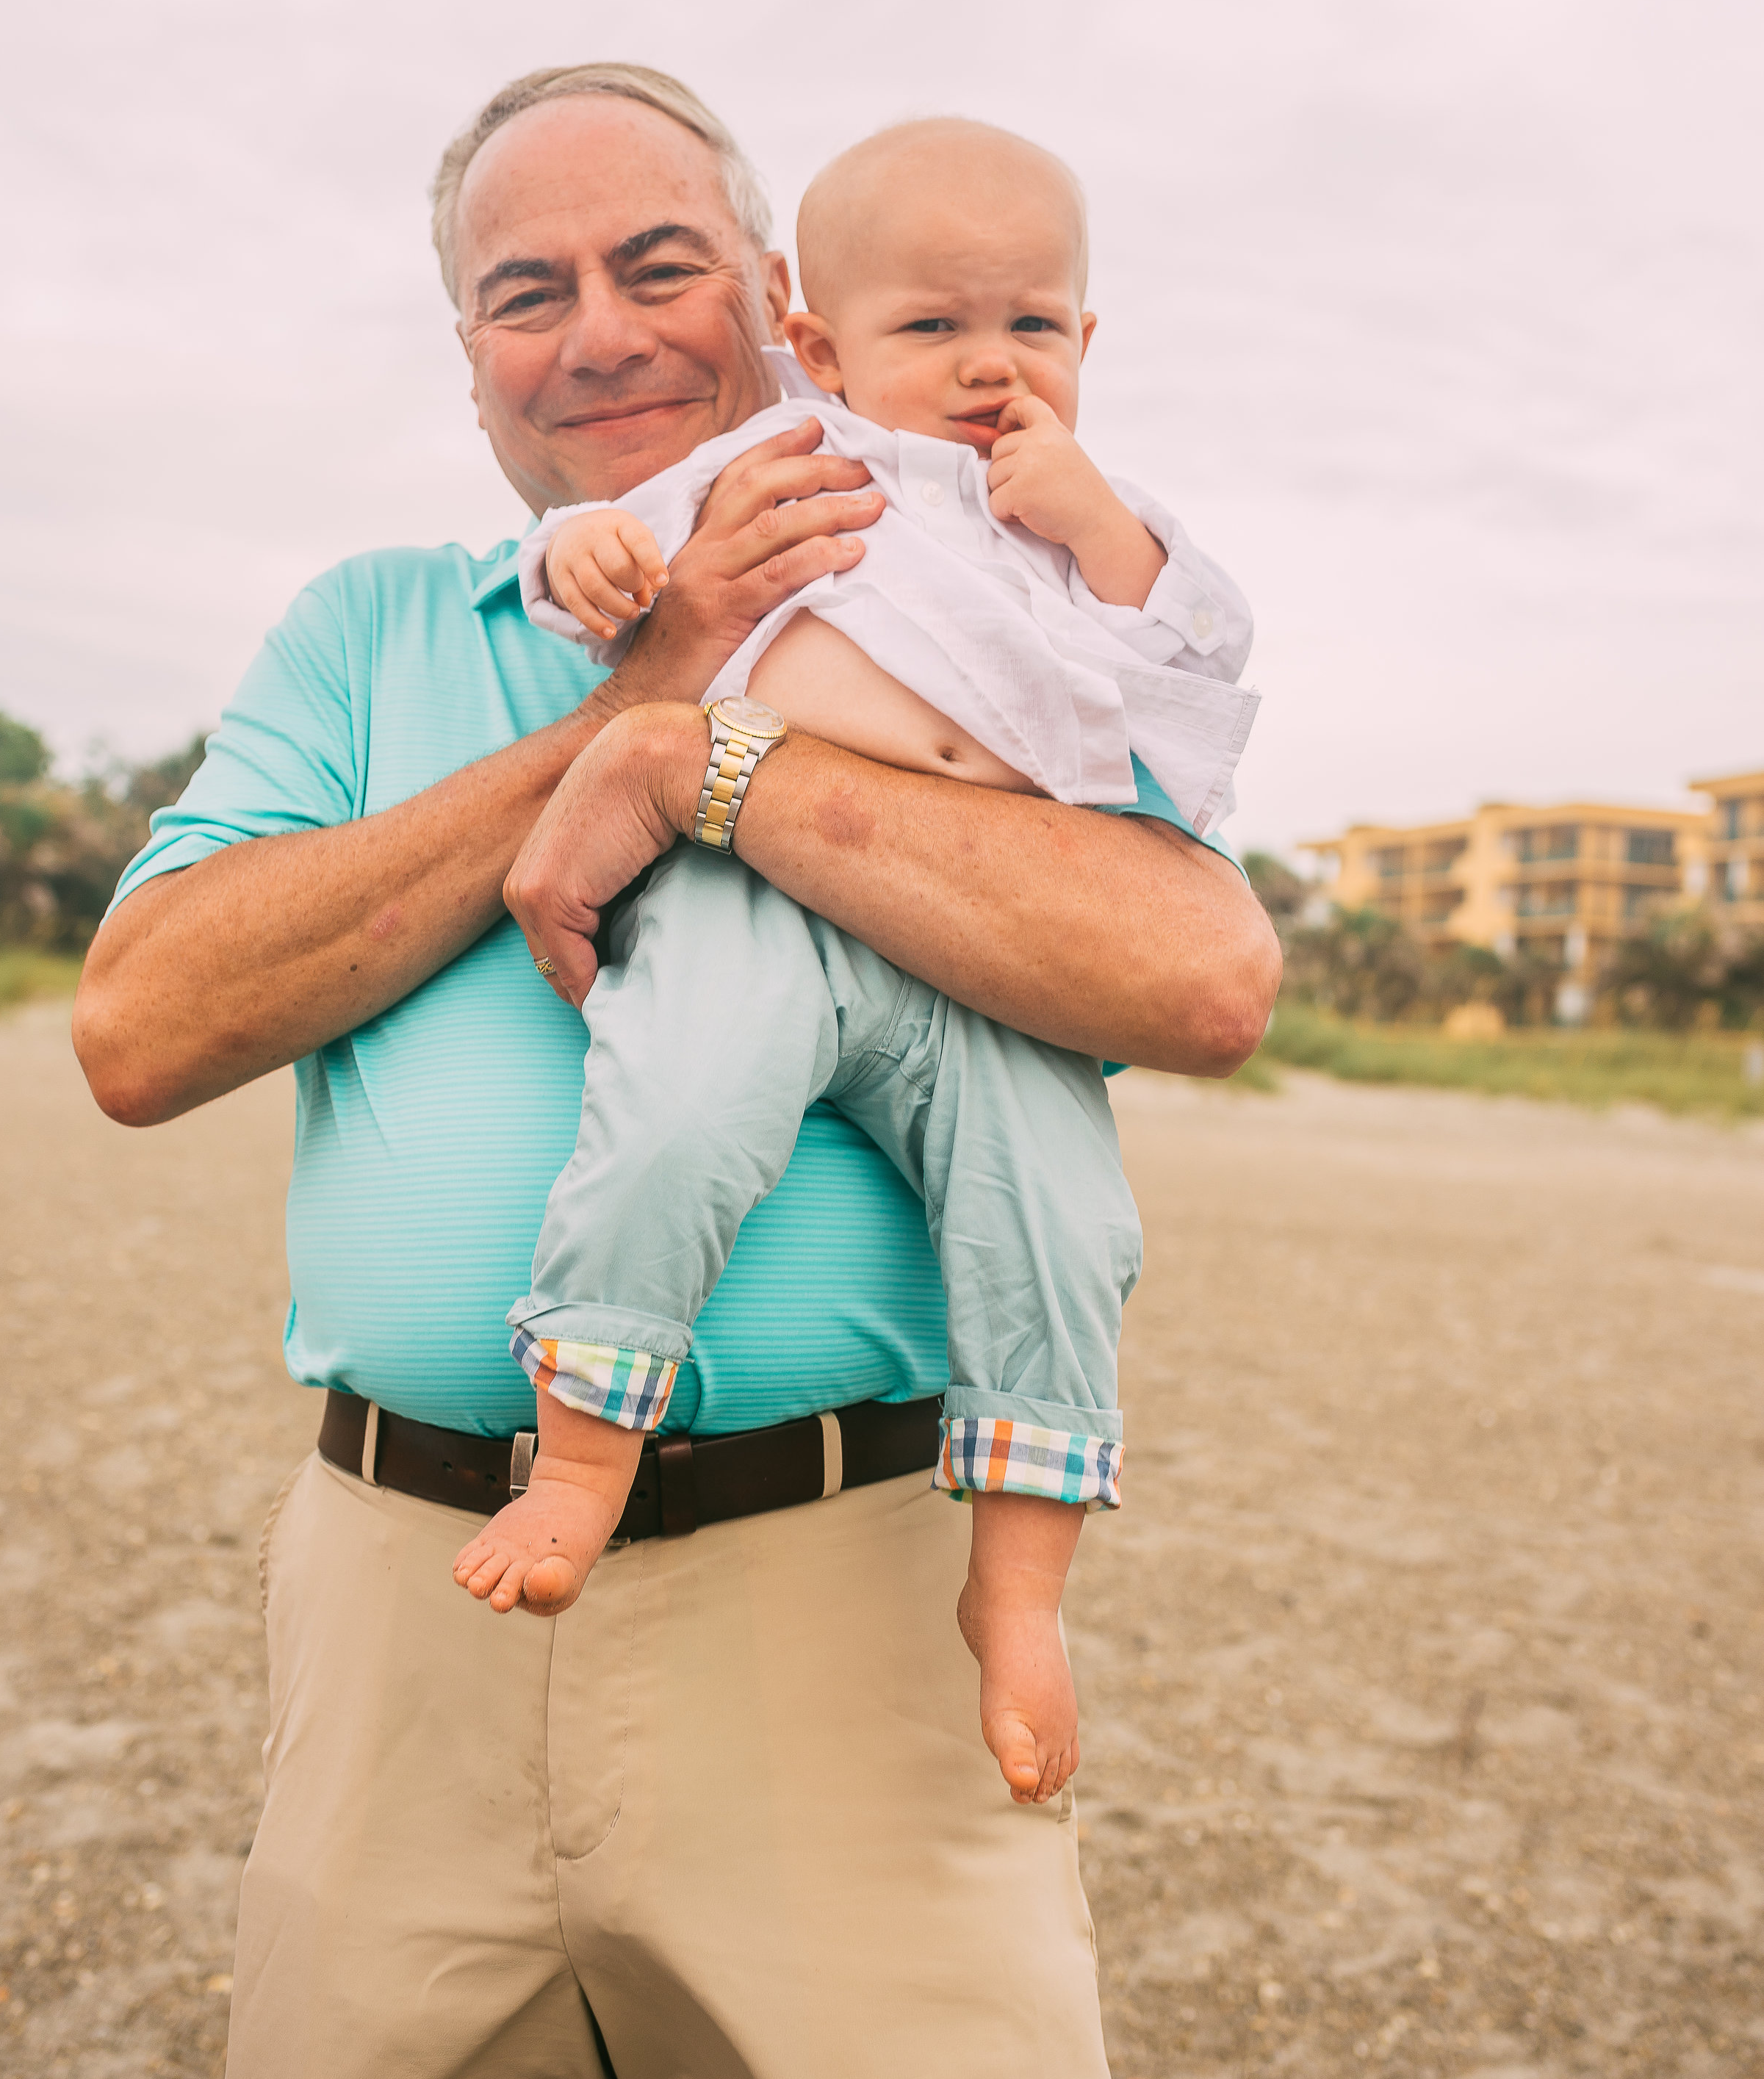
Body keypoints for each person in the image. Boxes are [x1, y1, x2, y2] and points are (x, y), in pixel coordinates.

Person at [73, 62, 1281, 2079]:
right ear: (470, 359)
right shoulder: (371, 632)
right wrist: (621, 712)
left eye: (660, 265)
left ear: (776, 300)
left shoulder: (987, 586)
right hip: (409, 1608)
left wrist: (716, 761)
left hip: (845, 1614)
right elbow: (139, 1027)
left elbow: (1198, 968)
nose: (601, 331)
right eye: (523, 292)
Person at [451, 118, 1259, 1818]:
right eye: (930, 330)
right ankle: (584, 1456)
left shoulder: (1093, 526)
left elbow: (1191, 680)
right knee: (673, 1109)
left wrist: (1100, 528)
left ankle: (1021, 1585)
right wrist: (586, 554)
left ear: (1087, 343)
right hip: (757, 890)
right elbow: (612, 550)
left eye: (1031, 327)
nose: (987, 368)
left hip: (975, 930)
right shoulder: (795, 458)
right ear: (814, 346)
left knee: (1062, 1220)